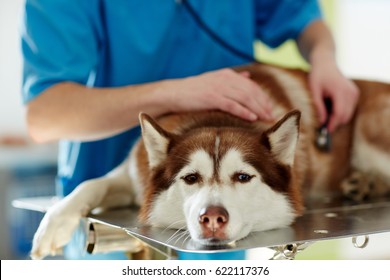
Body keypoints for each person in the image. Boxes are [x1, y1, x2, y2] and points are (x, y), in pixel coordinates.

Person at [21, 0, 359, 259]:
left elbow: (300, 16)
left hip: (220, 225)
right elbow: (44, 115)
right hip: (114, 218)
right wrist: (174, 93)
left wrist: (325, 59)